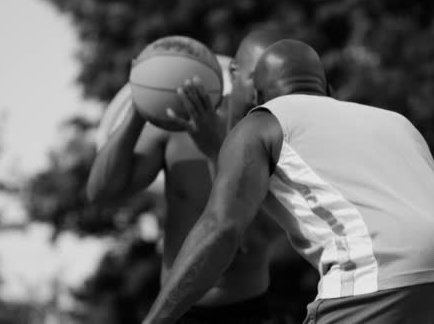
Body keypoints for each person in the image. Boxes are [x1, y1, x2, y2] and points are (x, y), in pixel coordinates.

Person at [143, 39, 434, 324]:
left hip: (383, 276)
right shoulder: (396, 122)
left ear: (258, 97)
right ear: (328, 90)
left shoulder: (261, 123)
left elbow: (220, 230)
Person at [86, 31, 286, 323]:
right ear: (235, 72)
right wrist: (139, 109)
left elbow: (252, 237)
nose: (263, 91)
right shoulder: (177, 121)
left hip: (247, 310)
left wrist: (216, 150)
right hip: (177, 311)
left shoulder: (277, 135)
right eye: (256, 77)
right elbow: (101, 193)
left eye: (274, 82)